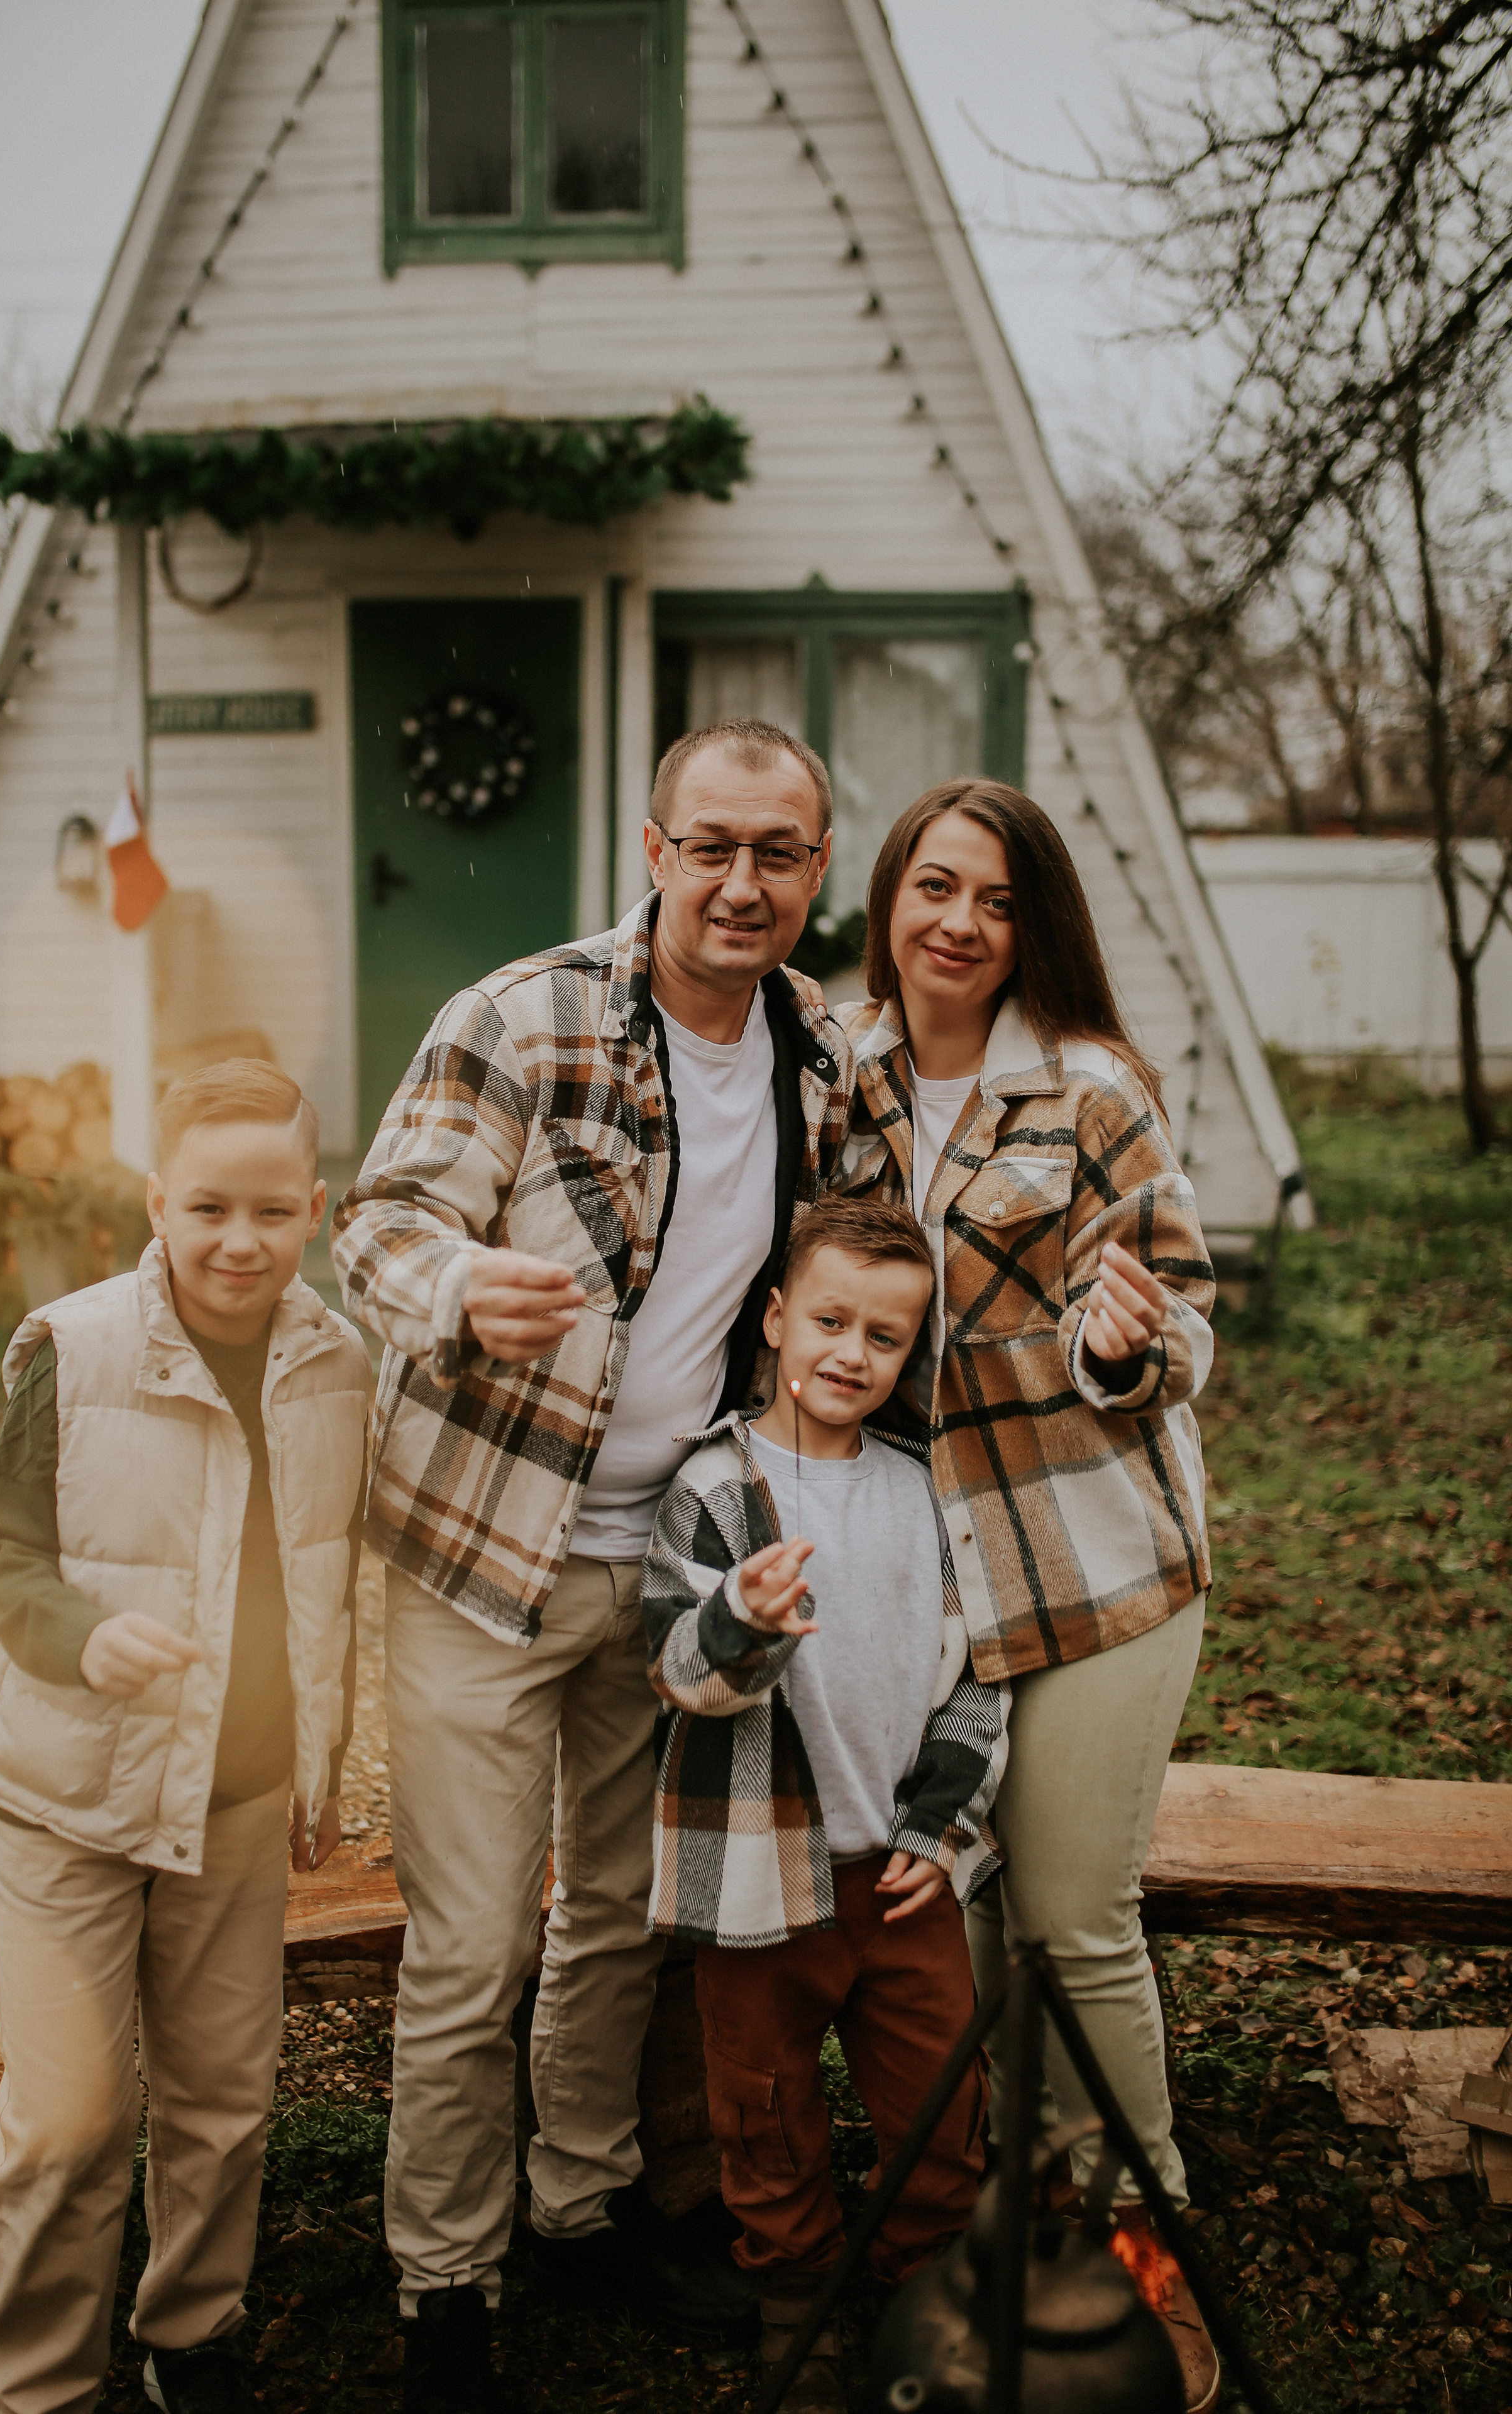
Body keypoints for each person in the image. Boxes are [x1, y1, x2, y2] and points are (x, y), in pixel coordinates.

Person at [331, 719, 852, 2413]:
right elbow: (383, 1219)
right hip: (488, 1546)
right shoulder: (524, 1013)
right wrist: (455, 1287)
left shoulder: (820, 1063)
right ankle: (446, 2284)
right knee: (476, 1946)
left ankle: (576, 2207)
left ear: (814, 872)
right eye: (711, 845)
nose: (740, 882)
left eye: (777, 852)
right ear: (651, 847)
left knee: (619, 1921)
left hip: (666, 1558)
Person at [836, 780, 1220, 2413]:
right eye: (935, 887)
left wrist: (1127, 1342)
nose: (960, 924)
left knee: (1069, 1919)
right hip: (923, 1584)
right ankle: (1014, 2243)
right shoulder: (830, 1080)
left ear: (1029, 923)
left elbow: (1183, 1318)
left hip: (1099, 1556)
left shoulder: (1089, 1090)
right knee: (977, 1928)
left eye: (996, 899)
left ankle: (1155, 2257)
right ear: (892, 898)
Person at [0, 1059, 372, 2414]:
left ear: (314, 1208)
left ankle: (192, 2335)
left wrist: (316, 1766)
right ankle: (40, 2384)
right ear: (156, 1203)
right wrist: (83, 1635)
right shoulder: (73, 1350)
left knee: (223, 2098)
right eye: (206, 1209)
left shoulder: (337, 1364)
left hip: (240, 1799)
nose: (237, 1242)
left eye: (269, 1211)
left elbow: (324, 1582)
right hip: (73, 1787)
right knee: (68, 2123)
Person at [644, 1196, 1010, 2414]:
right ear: (774, 1318)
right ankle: (793, 2297)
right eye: (829, 1321)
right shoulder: (713, 1487)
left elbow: (973, 1687)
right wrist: (740, 1618)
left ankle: (922, 2300)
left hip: (901, 1880)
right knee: (763, 2108)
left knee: (938, 2103)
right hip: (758, 1881)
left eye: (885, 1338)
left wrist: (940, 1832)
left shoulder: (924, 1492)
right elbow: (683, 1676)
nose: (851, 1354)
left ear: (911, 1357)